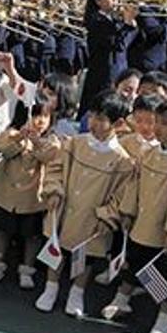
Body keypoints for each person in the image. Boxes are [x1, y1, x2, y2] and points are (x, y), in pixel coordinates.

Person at [98, 100, 167, 333]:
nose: (157, 127)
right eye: (158, 121)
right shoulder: (149, 154)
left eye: (165, 124)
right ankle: (121, 300)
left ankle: (164, 318)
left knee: (165, 275)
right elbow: (134, 184)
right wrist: (127, 210)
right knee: (133, 264)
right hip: (140, 225)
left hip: (164, 233)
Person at [35, 91, 134, 317]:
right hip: (64, 210)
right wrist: (53, 190)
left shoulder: (123, 160)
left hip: (93, 219)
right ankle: (50, 288)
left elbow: (122, 195)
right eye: (93, 116)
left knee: (86, 257)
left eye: (101, 119)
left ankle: (77, 292)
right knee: (55, 248)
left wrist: (107, 216)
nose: (94, 123)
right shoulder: (74, 144)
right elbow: (55, 169)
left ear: (117, 123)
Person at [0, 94, 58, 288]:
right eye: (35, 115)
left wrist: (37, 142)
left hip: (34, 199)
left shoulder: (52, 140)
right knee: (2, 230)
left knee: (32, 235)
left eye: (45, 117)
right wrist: (20, 137)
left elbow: (51, 156)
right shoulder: (13, 134)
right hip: (6, 195)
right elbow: (1, 147)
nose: (39, 121)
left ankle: (27, 269)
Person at [78, 0, 139, 117]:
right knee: (101, 109)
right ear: (98, 1)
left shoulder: (112, 19)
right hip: (104, 73)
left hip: (118, 68)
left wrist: (129, 24)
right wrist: (128, 25)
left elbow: (126, 42)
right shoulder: (97, 21)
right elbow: (118, 45)